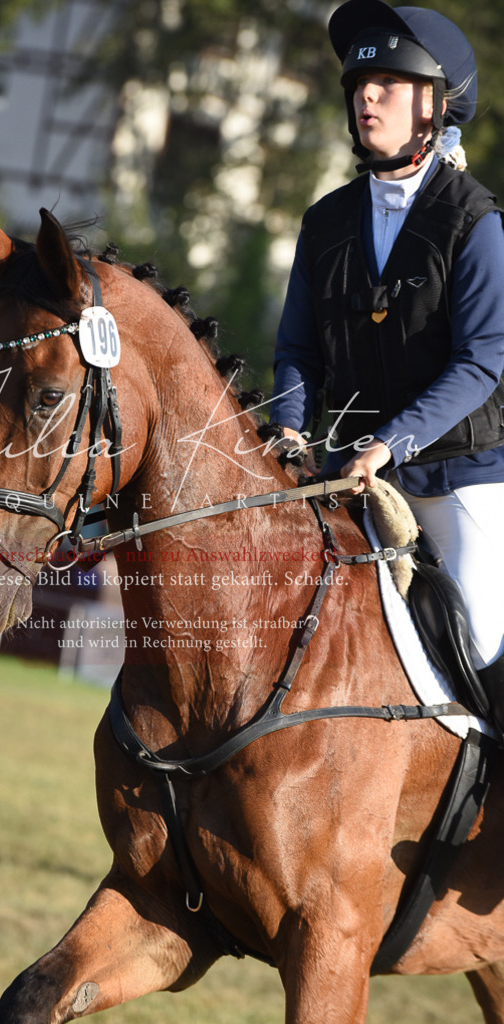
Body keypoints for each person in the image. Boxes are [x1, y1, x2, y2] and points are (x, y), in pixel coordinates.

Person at [269, 0, 504, 721]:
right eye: (360, 86)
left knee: (483, 659)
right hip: (352, 483)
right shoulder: (326, 223)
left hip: (457, 485)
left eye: (389, 86)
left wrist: (387, 443)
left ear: (433, 106)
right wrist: (287, 430)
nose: (366, 96)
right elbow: (298, 350)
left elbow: (485, 358)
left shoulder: (474, 219)